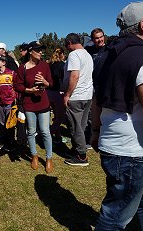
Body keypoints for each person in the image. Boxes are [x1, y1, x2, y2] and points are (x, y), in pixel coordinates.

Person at [92, 2, 143, 230]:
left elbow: (96, 100)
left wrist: (96, 132)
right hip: (130, 152)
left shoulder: (104, 55)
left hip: (116, 145)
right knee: (115, 214)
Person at [14, 41, 54, 173]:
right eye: (38, 50)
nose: (41, 52)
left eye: (42, 50)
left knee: (45, 131)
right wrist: (29, 90)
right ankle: (34, 156)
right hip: (29, 104)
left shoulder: (45, 65)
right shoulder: (22, 68)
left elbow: (51, 83)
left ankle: (49, 158)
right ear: (31, 51)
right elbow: (17, 85)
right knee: (31, 131)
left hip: (43, 103)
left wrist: (45, 82)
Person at [63, 33, 94, 166]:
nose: (66, 48)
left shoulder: (74, 55)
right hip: (87, 95)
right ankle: (77, 149)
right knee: (81, 125)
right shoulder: (87, 54)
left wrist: (67, 94)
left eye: (66, 45)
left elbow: (74, 76)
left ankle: (81, 156)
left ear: (70, 42)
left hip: (76, 96)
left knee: (75, 127)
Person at [0, 55, 17, 151]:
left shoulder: (12, 73)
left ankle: (12, 141)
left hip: (10, 102)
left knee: (10, 123)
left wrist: (16, 99)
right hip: (0, 103)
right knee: (1, 123)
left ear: (4, 62)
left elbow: (17, 88)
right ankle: (4, 141)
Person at [48, 47, 66, 144]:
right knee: (60, 117)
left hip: (49, 92)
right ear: (62, 54)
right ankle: (49, 134)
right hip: (58, 93)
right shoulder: (62, 65)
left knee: (56, 115)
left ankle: (57, 136)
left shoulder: (49, 65)